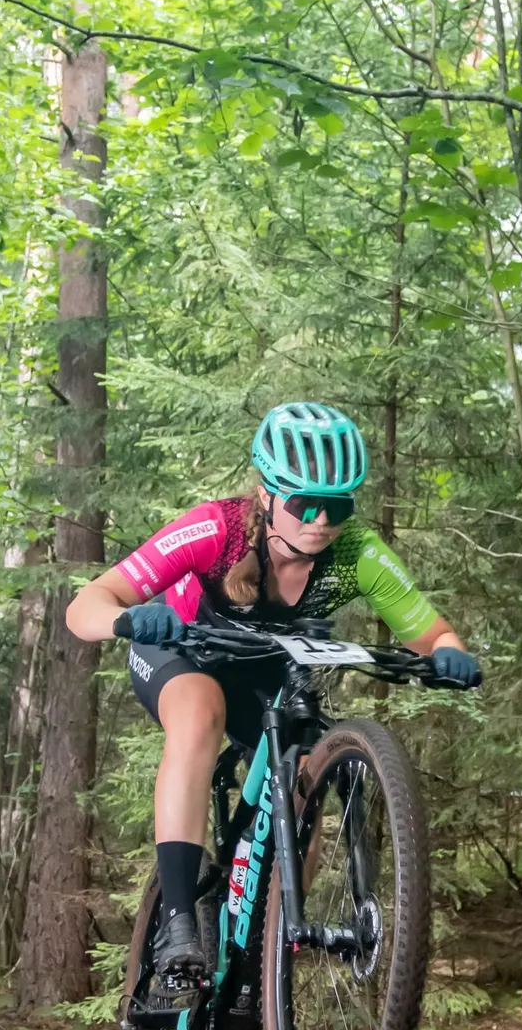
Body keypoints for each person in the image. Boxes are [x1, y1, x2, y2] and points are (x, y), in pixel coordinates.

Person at [66, 401, 482, 972]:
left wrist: (449, 653)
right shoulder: (215, 529)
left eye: (336, 506)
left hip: (265, 671)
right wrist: (129, 618)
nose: (320, 520)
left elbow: (433, 632)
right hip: (182, 651)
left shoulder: (355, 553)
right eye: (303, 503)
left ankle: (263, 962)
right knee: (200, 712)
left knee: (305, 773)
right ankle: (181, 924)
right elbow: (86, 605)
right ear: (265, 495)